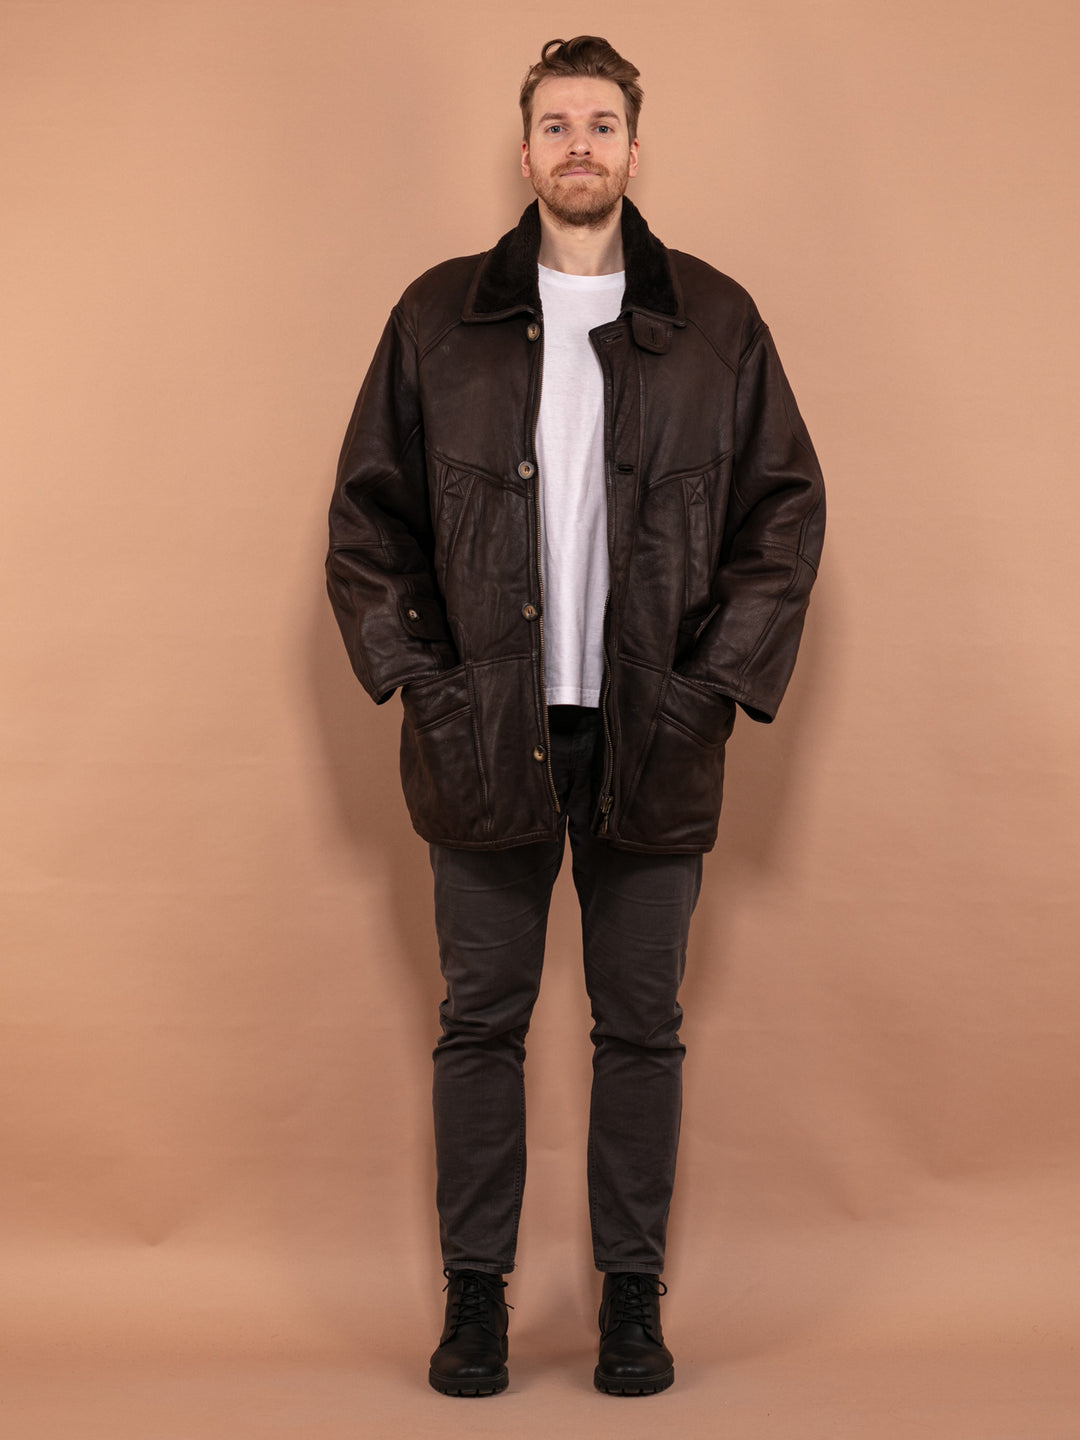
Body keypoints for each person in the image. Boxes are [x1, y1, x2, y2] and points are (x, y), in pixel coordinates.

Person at [326, 35, 825, 1398]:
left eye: (602, 123)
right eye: (558, 124)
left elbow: (784, 517)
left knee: (642, 1026)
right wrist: (422, 681)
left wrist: (713, 686)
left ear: (635, 149)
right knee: (479, 1020)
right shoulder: (439, 319)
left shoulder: (716, 321)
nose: (581, 145)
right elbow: (368, 521)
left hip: (652, 730)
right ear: (527, 149)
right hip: (486, 727)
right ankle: (475, 1299)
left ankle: (631, 1300)